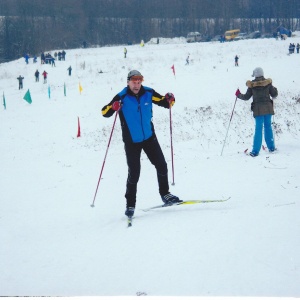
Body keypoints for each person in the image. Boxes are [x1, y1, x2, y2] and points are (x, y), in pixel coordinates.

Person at [101, 70, 181, 218]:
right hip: (132, 141)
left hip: (149, 137)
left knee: (162, 165)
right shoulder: (121, 97)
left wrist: (171, 99)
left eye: (139, 82)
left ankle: (165, 194)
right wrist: (114, 107)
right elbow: (104, 112)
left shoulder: (149, 93)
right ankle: (130, 204)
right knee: (134, 173)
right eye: (134, 82)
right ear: (128, 82)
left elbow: (166, 103)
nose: (137, 85)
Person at [235, 67, 278, 157]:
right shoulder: (268, 83)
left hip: (258, 110)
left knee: (258, 129)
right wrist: (274, 88)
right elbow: (274, 94)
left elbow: (246, 97)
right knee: (268, 127)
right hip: (268, 109)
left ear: (255, 75)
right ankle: (271, 147)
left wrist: (238, 95)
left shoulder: (252, 85)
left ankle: (255, 151)